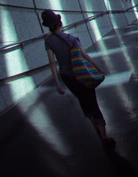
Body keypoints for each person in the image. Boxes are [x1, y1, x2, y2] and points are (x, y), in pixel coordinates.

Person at [41, 9, 115, 147]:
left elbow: (52, 62)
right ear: (60, 23)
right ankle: (104, 136)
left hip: (67, 77)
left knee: (82, 100)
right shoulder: (72, 39)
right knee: (92, 102)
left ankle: (95, 126)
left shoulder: (48, 41)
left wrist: (57, 83)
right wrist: (99, 69)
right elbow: (85, 55)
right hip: (82, 74)